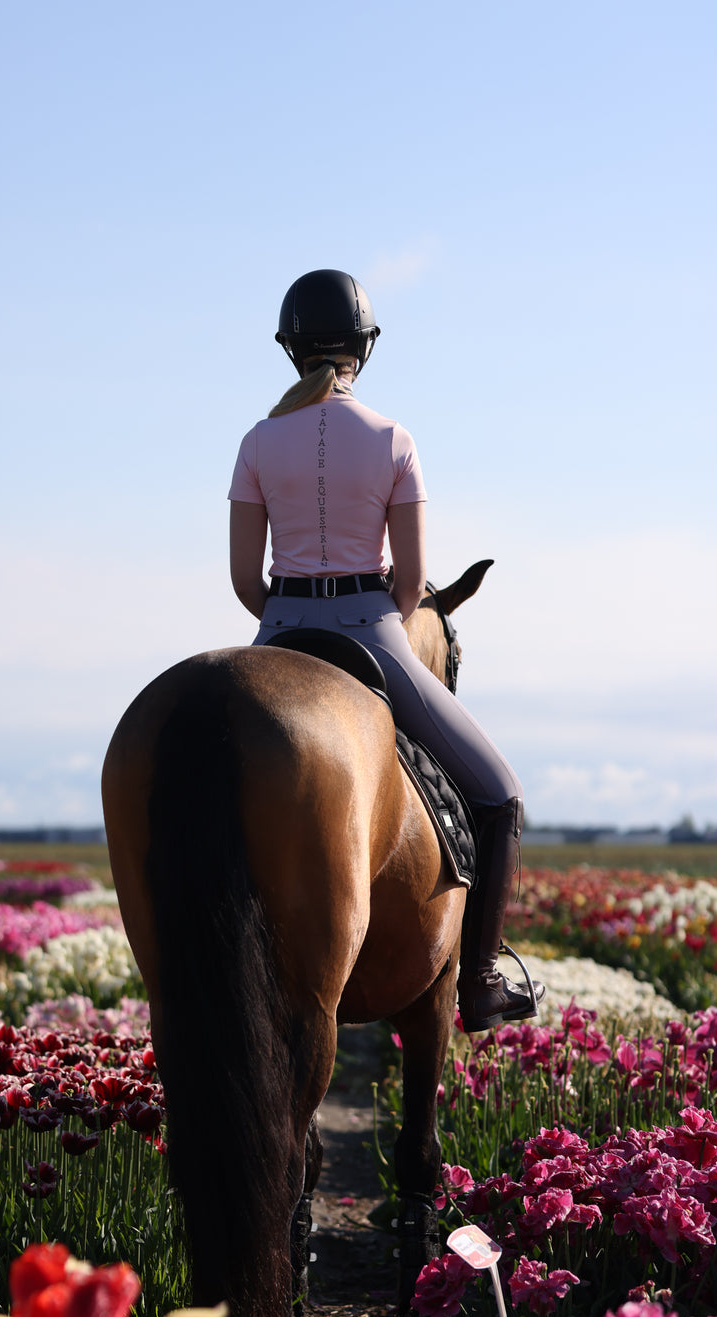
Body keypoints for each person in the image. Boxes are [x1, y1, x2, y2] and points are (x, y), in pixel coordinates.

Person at [228, 268, 542, 1030]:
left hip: (277, 634)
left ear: (289, 347)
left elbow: (244, 581)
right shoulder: (394, 440)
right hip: (373, 630)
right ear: (363, 347)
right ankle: (480, 982)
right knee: (501, 795)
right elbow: (409, 585)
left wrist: (289, 621)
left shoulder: (258, 441)